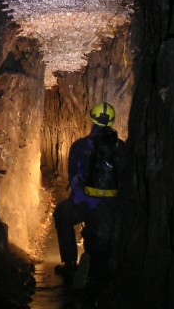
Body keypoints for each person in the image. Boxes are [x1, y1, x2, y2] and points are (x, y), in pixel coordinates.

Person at [53, 101, 125, 289]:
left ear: (92, 120)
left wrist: (81, 202)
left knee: (61, 215)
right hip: (109, 207)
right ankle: (99, 279)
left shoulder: (79, 146)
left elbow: (74, 177)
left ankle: (69, 264)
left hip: (82, 203)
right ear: (112, 123)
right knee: (101, 243)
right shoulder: (121, 148)